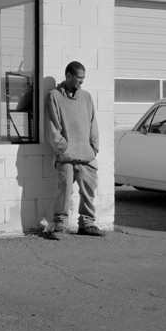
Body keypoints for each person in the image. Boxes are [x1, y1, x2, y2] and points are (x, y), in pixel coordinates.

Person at [44, 61, 105, 238]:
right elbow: (53, 127)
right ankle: (61, 225)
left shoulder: (86, 97)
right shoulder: (54, 96)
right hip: (66, 156)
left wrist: (93, 147)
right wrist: (62, 148)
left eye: (83, 79)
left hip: (87, 154)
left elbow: (93, 123)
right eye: (79, 78)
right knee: (65, 190)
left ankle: (87, 224)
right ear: (68, 75)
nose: (81, 82)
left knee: (89, 190)